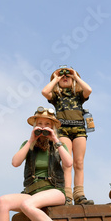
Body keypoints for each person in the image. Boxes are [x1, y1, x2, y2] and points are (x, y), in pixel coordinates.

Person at [0, 107, 81, 221]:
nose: (42, 127)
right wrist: (31, 140)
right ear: (34, 126)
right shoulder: (29, 145)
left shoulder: (57, 145)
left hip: (55, 191)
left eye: (47, 124)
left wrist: (55, 139)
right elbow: (15, 162)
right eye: (39, 124)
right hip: (32, 194)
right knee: (2, 201)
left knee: (27, 205)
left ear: (53, 127)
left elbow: (68, 163)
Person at [42, 65, 93, 206]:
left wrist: (75, 76)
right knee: (66, 163)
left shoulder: (78, 95)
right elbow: (45, 91)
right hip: (63, 129)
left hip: (79, 129)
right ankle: (67, 195)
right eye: (62, 77)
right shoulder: (57, 97)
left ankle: (79, 194)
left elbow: (89, 90)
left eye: (67, 76)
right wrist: (56, 77)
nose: (65, 78)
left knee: (79, 162)